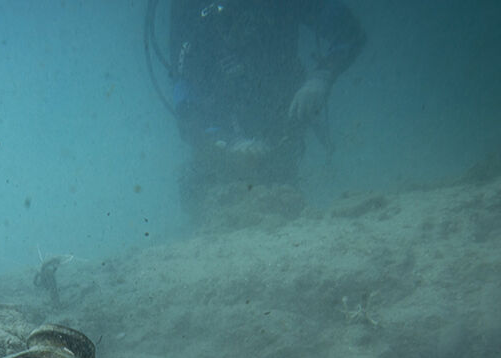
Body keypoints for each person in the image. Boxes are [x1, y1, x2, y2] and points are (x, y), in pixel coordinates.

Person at [153, 0, 366, 220]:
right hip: (217, 132)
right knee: (211, 202)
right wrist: (221, 140)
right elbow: (184, 92)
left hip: (278, 121)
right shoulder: (187, 6)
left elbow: (349, 33)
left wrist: (322, 77)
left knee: (281, 202)